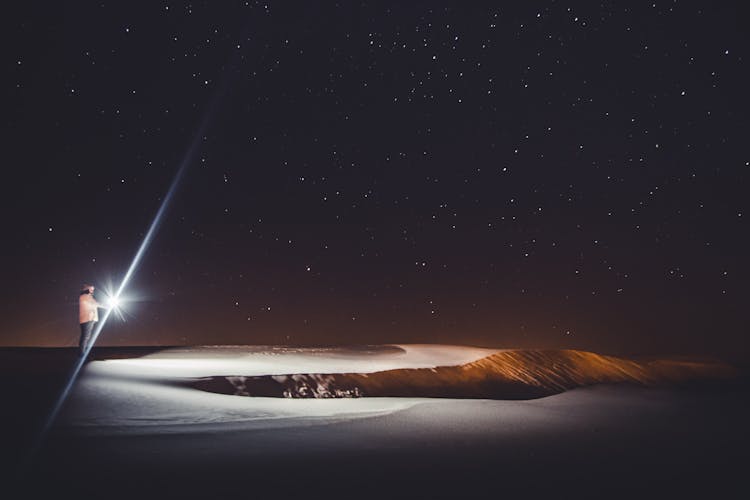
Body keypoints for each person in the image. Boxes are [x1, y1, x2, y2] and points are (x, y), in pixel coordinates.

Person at [78, 283, 105, 355]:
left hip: (88, 319)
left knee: (85, 336)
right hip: (87, 319)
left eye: (93, 289)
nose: (92, 291)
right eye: (91, 289)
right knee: (85, 337)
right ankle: (81, 353)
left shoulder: (87, 297)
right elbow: (96, 304)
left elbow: (94, 304)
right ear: (87, 289)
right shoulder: (85, 297)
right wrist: (107, 306)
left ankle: (81, 353)